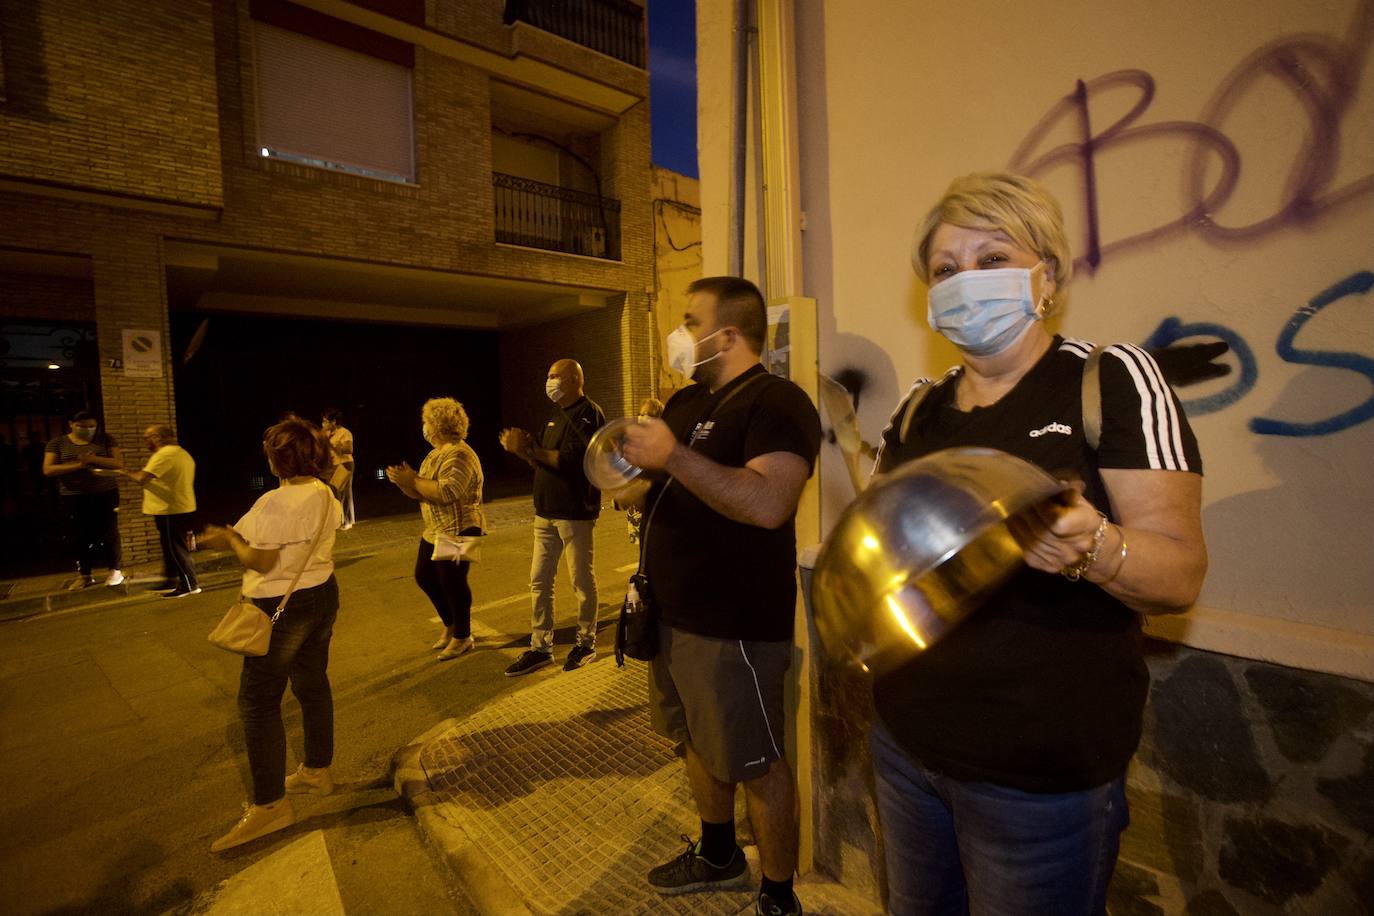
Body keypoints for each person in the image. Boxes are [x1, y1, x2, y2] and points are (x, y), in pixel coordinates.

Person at [866, 173, 1207, 915]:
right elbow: (886, 556)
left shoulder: (1110, 380)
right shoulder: (917, 410)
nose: (966, 282)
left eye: (993, 259)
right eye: (947, 270)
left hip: (1038, 781)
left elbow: (1179, 573)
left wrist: (1095, 548)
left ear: (1045, 277)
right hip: (905, 745)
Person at [618, 276, 821, 916]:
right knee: (696, 743)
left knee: (756, 759)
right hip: (669, 615)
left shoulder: (776, 403)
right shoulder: (685, 402)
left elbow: (767, 503)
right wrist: (627, 472)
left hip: (732, 625)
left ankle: (779, 895)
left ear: (728, 334)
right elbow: (648, 488)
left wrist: (672, 457)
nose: (680, 334)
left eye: (690, 320)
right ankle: (717, 853)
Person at [198, 417, 343, 852]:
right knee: (312, 683)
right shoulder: (325, 493)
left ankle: (270, 806)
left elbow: (258, 561)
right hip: (320, 594)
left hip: (279, 606)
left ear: (277, 459)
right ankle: (318, 769)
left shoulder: (273, 504)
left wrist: (227, 541)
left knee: (258, 703)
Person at [498, 359, 606, 675]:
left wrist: (529, 449)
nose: (549, 381)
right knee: (539, 581)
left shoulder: (589, 413)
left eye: (554, 376)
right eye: (548, 376)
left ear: (573, 379)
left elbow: (572, 461)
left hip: (574, 513)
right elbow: (543, 462)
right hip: (544, 513)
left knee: (581, 580)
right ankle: (540, 647)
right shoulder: (555, 417)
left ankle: (585, 643)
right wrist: (523, 451)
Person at [386, 398, 487, 661]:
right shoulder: (435, 454)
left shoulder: (460, 453)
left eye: (427, 422)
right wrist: (404, 483)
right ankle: (451, 625)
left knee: (452, 581)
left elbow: (448, 491)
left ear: (438, 425)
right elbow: (421, 492)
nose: (424, 427)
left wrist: (414, 480)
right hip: (436, 528)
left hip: (461, 527)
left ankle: (463, 636)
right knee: (425, 577)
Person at [42, 410, 124, 588]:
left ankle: (115, 571)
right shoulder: (57, 443)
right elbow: (48, 469)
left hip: (105, 493)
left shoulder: (106, 440)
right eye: (82, 426)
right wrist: (79, 465)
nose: (87, 430)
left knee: (110, 531)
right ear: (71, 424)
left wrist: (93, 459)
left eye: (91, 427)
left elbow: (118, 463)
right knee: (79, 535)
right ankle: (85, 574)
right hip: (73, 496)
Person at [123, 425, 200, 598]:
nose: (145, 442)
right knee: (170, 547)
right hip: (176, 506)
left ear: (157, 437)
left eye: (147, 437)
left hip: (170, 509)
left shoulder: (164, 454)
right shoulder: (181, 453)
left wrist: (124, 470)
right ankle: (172, 579)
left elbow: (142, 478)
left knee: (175, 548)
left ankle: (189, 584)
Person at [617, 397, 664, 545]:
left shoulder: (663, 442)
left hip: (654, 507)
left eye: (649, 414)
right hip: (636, 507)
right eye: (641, 414)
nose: (643, 418)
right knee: (642, 547)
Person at [321, 409, 355, 530]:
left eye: (325, 421)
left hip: (344, 464)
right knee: (332, 493)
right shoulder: (325, 434)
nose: (323, 424)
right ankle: (337, 520)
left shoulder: (344, 433)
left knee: (344, 493)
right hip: (331, 465)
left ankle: (347, 521)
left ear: (333, 422)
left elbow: (348, 449)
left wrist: (330, 444)